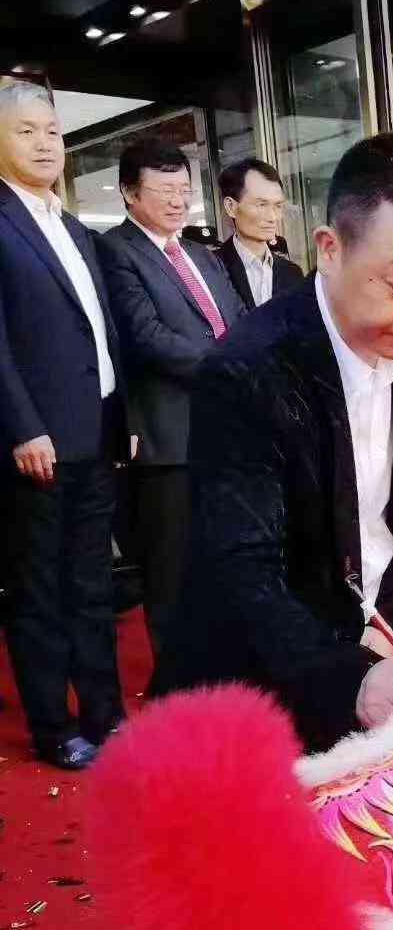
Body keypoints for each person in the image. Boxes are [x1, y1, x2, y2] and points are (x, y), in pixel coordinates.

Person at [154, 133, 393, 751]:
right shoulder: (248, 369)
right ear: (330, 249)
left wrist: (390, 630)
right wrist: (347, 675)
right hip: (255, 686)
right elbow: (245, 570)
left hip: (372, 654)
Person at [0, 82, 126, 770]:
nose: (46, 143)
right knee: (40, 593)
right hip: (37, 443)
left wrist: (120, 416)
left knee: (92, 586)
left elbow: (100, 334)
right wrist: (22, 426)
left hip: (95, 432)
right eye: (27, 131)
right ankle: (54, 726)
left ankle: (106, 715)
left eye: (53, 130)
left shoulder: (74, 227)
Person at [98, 140, 243, 657]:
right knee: (171, 569)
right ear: (129, 193)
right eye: (164, 190)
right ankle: (178, 675)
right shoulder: (115, 251)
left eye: (184, 189)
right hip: (168, 436)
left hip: (225, 432)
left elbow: (237, 320)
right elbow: (146, 336)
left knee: (224, 557)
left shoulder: (202, 254)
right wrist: (229, 366)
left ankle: (223, 663)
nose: (179, 201)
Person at [215, 157, 303, 310]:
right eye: (262, 205)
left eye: (278, 206)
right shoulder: (211, 268)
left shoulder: (292, 273)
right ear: (231, 207)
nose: (272, 217)